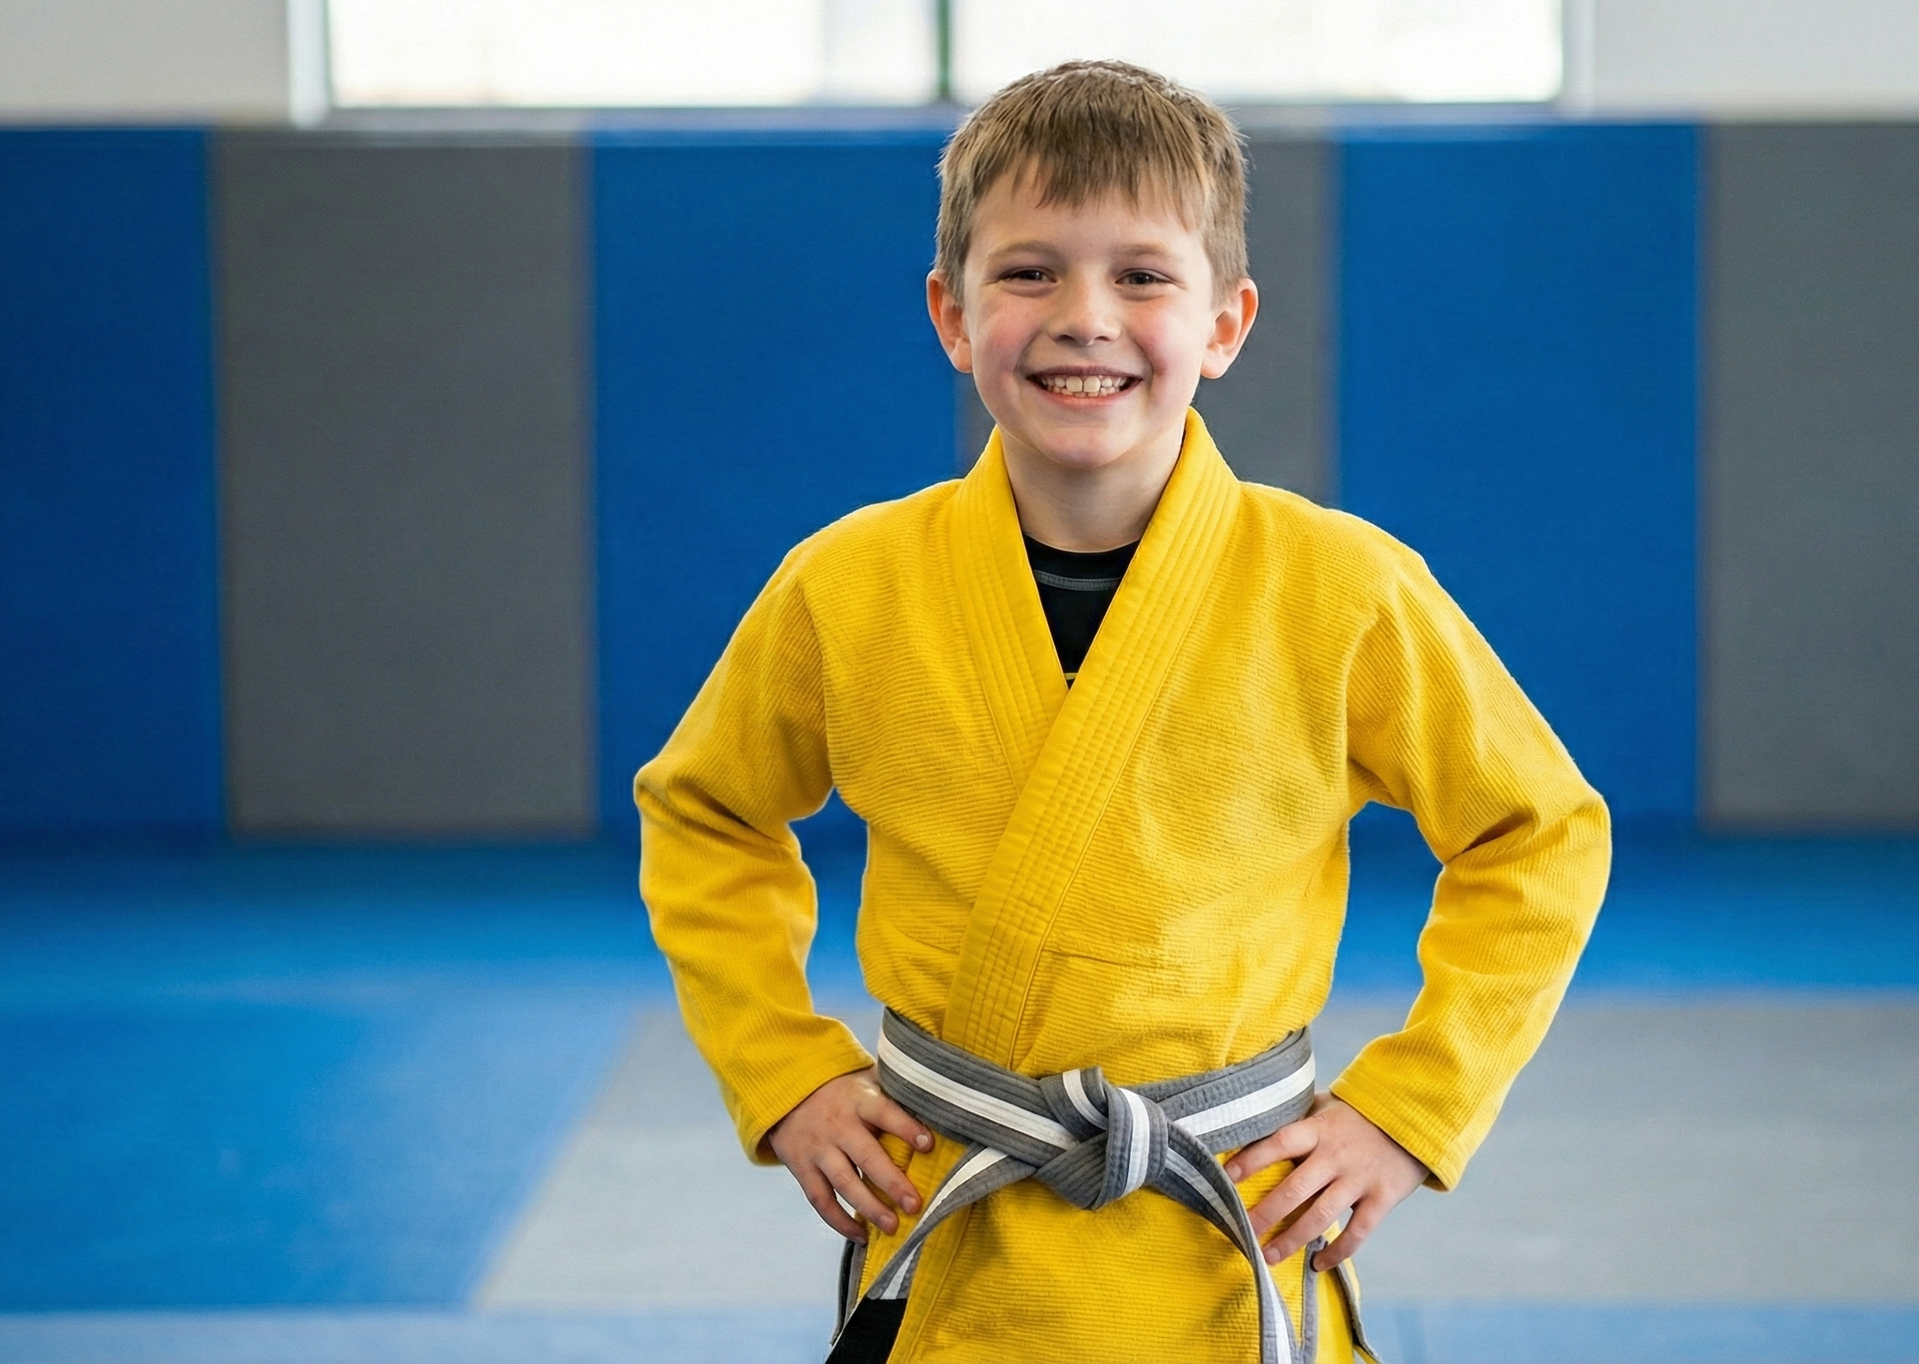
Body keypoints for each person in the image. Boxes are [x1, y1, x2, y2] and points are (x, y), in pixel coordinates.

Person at [634, 59, 1610, 1364]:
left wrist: (1414, 1105)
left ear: (1225, 321)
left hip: (1223, 1233)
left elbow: (1540, 832)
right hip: (959, 1236)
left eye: (1143, 276)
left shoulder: (1341, 589)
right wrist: (784, 1069)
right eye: (1029, 271)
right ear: (950, 310)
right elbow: (702, 810)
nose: (1083, 316)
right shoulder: (849, 586)